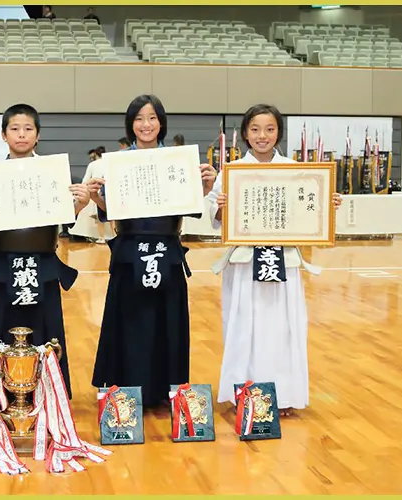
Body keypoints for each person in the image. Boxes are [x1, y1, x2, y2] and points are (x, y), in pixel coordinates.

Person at [206, 103, 343, 417]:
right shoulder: (231, 172)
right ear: (244, 134)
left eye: (269, 129)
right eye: (255, 129)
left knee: (281, 327)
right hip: (244, 263)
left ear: (279, 132)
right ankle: (243, 391)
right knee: (244, 326)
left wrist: (326, 203)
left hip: (283, 260)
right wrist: (221, 207)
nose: (262, 136)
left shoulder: (295, 170)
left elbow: (308, 212)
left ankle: (281, 395)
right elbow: (213, 217)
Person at [87, 94, 217, 409]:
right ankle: (125, 387)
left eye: (152, 118)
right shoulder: (116, 163)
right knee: (129, 321)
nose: (146, 125)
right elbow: (111, 211)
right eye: (139, 119)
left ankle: (166, 388)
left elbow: (190, 204)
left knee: (167, 321)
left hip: (167, 249)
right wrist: (97, 197)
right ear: (131, 125)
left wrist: (206, 187)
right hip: (130, 250)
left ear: (161, 123)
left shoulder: (176, 162)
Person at [0, 103, 90, 397]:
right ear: (3, 135)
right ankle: (0, 395)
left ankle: (51, 396)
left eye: (28, 129)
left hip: (42, 264)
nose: (21, 135)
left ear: (37, 136)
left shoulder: (52, 172)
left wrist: (81, 203)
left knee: (46, 332)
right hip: (2, 265)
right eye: (14, 129)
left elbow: (64, 216)